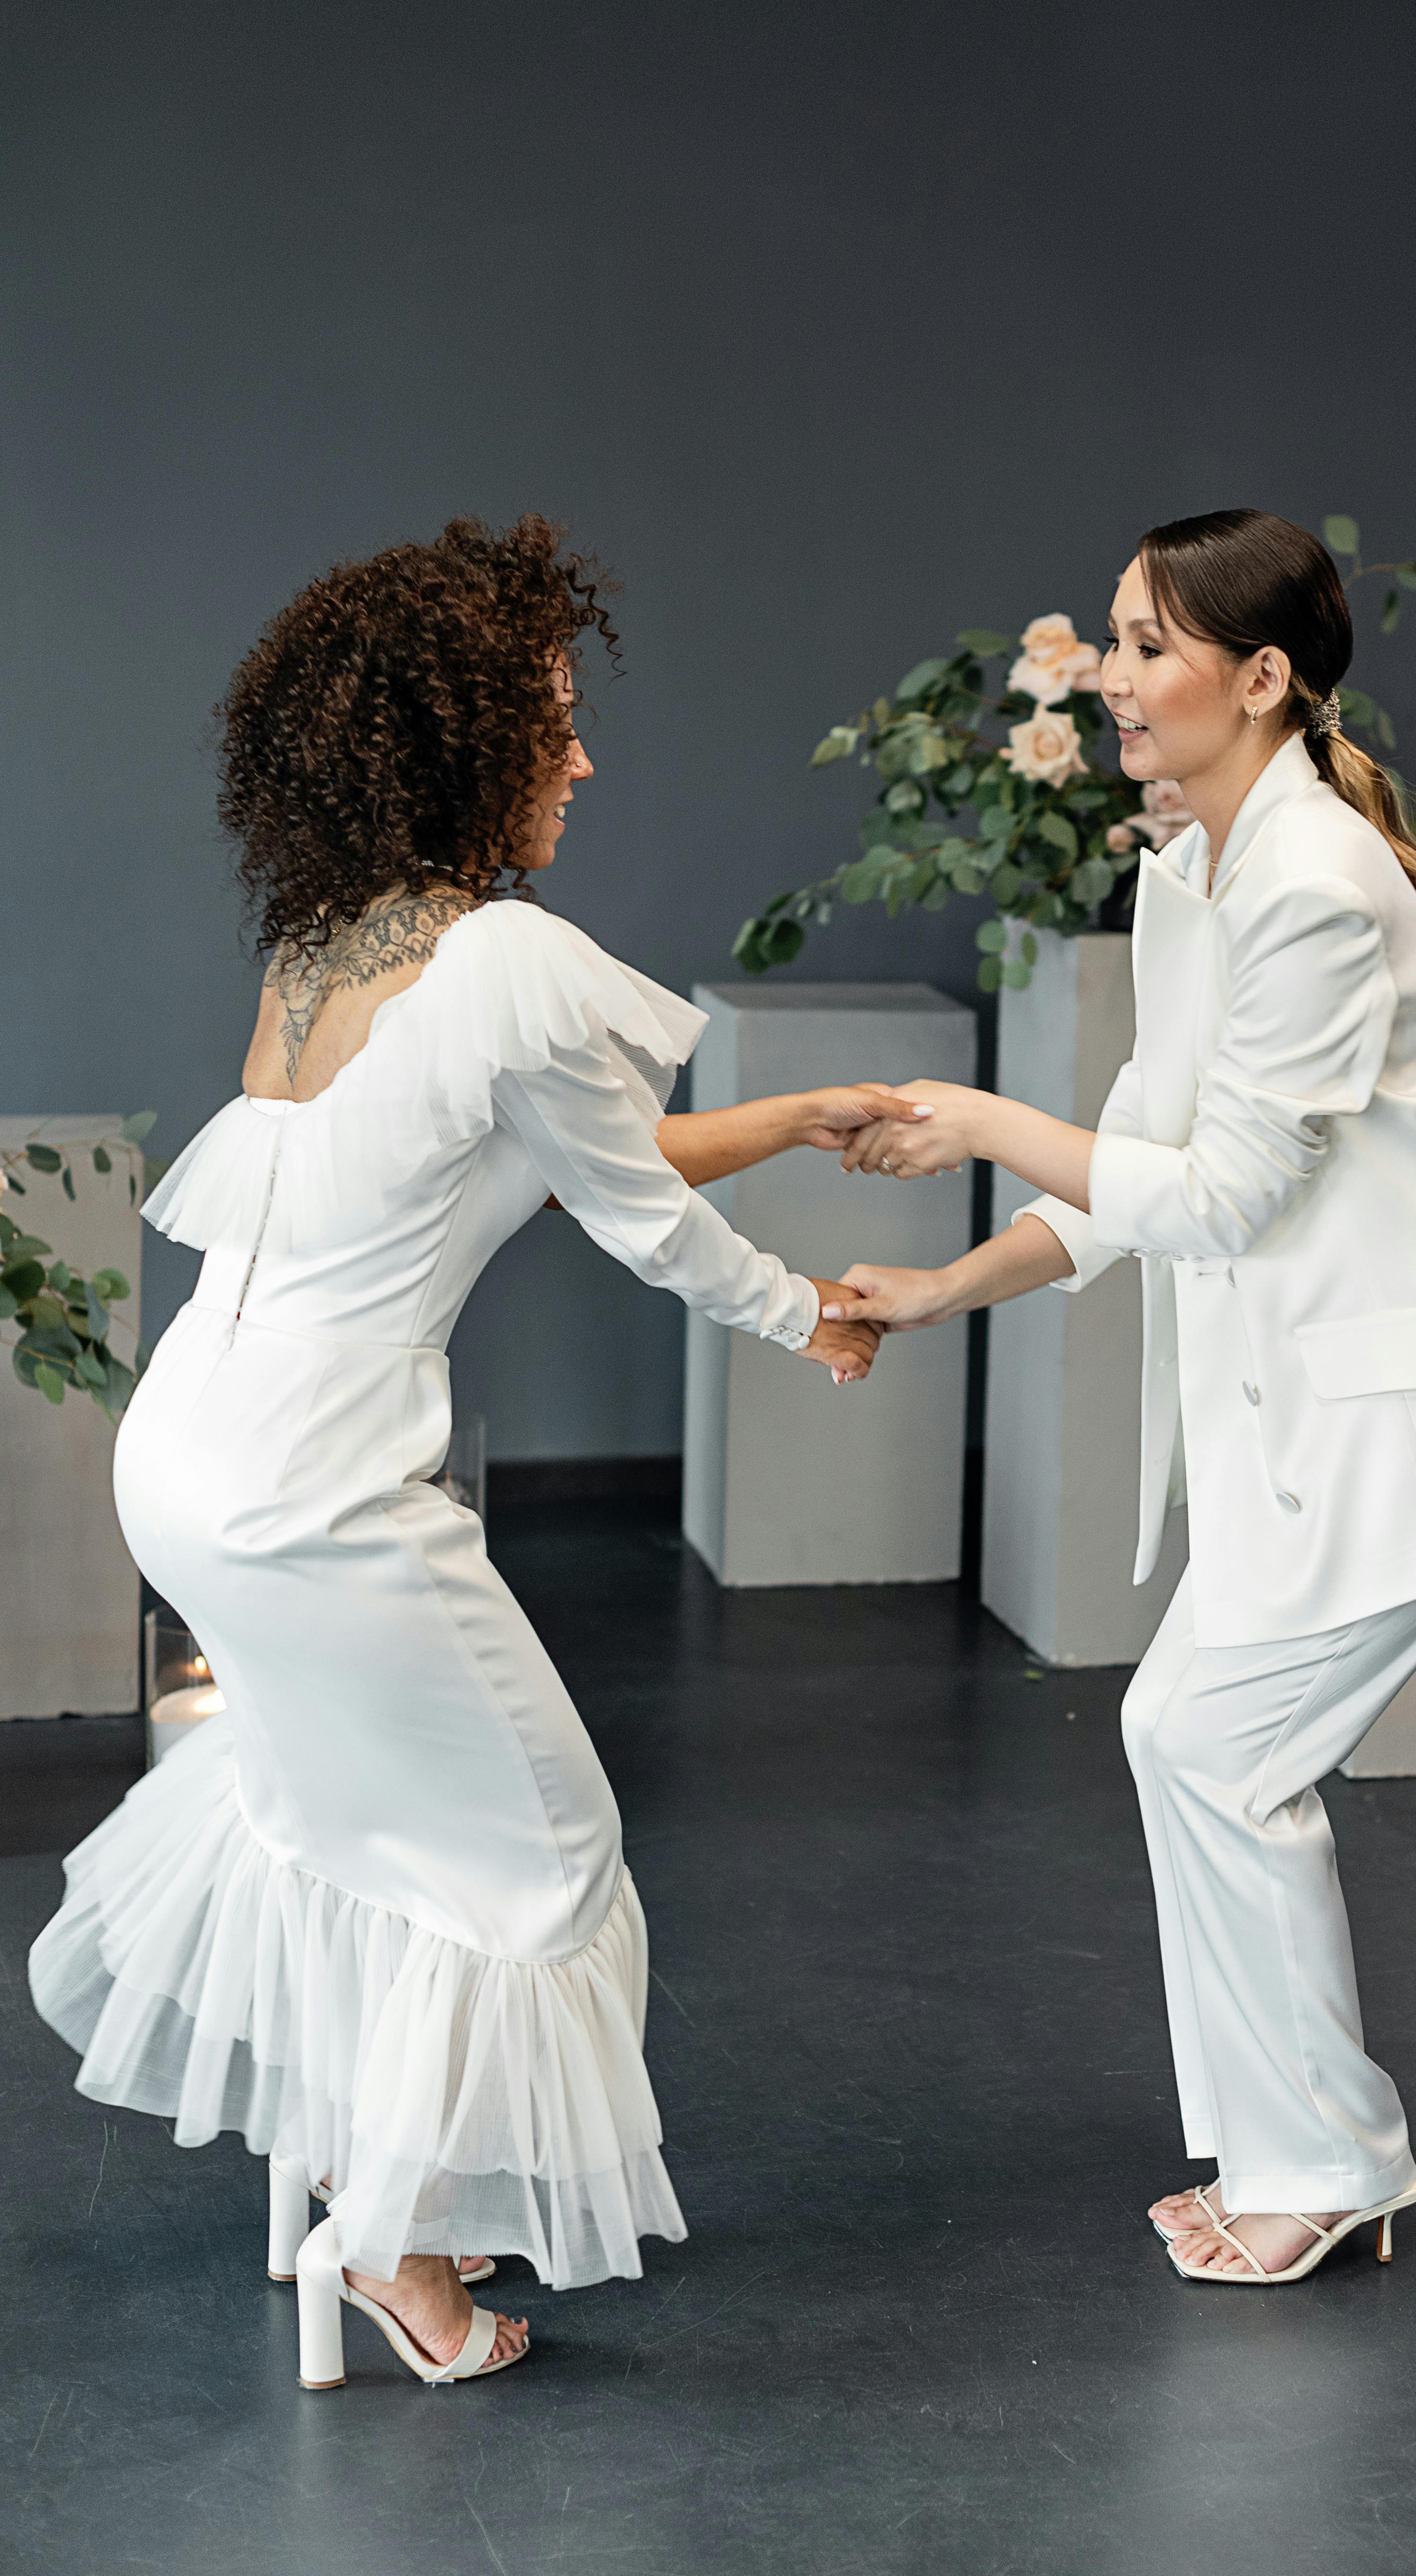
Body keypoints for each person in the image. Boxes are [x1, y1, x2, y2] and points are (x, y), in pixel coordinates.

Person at [28, 515, 917, 2386]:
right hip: (324, 1499)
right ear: (458, 746)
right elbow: (638, 1225)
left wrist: (789, 1122)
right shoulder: (511, 956)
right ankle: (403, 2258)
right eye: (553, 725)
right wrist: (807, 1319)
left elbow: (550, 1153)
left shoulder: (331, 941)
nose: (583, 760)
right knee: (543, 1851)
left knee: (353, 1826)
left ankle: (381, 2171)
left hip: (190, 1458)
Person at [824, 509, 1416, 2285]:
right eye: (1109, 635)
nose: (1109, 675)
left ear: (1261, 679)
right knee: (1196, 1746)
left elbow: (1224, 1195)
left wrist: (980, 1117)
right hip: (1294, 1430)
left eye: (1147, 644)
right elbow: (1148, 1159)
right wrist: (954, 1284)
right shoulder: (1188, 872)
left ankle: (1320, 2162)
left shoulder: (1322, 888)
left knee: (1206, 1747)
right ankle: (1302, 2152)